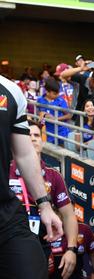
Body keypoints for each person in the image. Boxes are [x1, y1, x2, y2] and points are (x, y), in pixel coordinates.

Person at [0, 75, 62, 279]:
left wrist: (44, 204)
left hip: (5, 212)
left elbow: (25, 153)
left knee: (31, 269)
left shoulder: (10, 91)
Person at [9, 121, 78, 278]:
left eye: (36, 135)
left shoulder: (54, 175)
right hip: (9, 243)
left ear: (42, 141)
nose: (32, 139)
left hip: (42, 245)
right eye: (28, 135)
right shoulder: (5, 172)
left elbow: (68, 215)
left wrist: (72, 249)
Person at [37, 77, 71, 145]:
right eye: (55, 93)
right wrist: (42, 115)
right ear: (47, 92)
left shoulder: (61, 101)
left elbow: (69, 115)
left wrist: (55, 119)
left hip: (61, 133)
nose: (58, 95)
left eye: (58, 92)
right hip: (47, 133)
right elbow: (38, 114)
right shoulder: (40, 100)